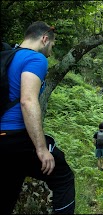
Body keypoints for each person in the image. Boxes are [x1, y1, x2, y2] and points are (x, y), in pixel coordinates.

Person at [0, 21, 75, 214]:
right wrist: (41, 149)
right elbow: (27, 100)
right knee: (63, 176)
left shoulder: (8, 56)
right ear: (44, 39)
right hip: (15, 137)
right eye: (53, 45)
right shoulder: (36, 59)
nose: (51, 50)